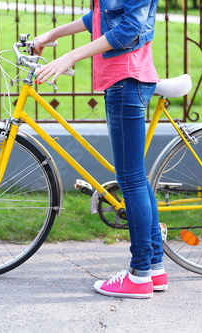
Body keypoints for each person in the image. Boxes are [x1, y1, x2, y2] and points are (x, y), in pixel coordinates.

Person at [34, 0, 167, 299]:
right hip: (125, 79)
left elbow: (128, 29)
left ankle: (139, 275)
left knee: (130, 179)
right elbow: (99, 17)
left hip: (126, 80)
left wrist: (70, 56)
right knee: (135, 178)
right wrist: (50, 35)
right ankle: (154, 268)